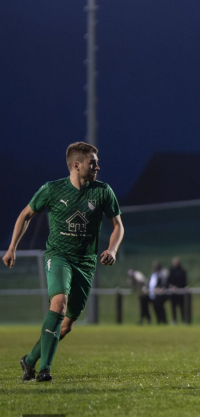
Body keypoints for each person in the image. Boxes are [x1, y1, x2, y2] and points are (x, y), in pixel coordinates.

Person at [4, 142, 124, 382]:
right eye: (93, 163)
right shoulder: (52, 189)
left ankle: (28, 360)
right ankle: (45, 369)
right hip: (59, 256)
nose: (98, 166)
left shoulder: (102, 191)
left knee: (66, 326)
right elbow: (25, 215)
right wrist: (12, 248)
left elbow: (118, 226)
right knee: (58, 305)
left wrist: (112, 249)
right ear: (77, 165)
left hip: (86, 264)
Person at [167, 256, 188, 324]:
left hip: (181, 291)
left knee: (182, 306)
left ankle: (183, 320)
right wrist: (172, 287)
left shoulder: (182, 271)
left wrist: (185, 287)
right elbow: (168, 281)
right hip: (173, 292)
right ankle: (174, 320)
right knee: (173, 307)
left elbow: (184, 281)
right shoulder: (171, 271)